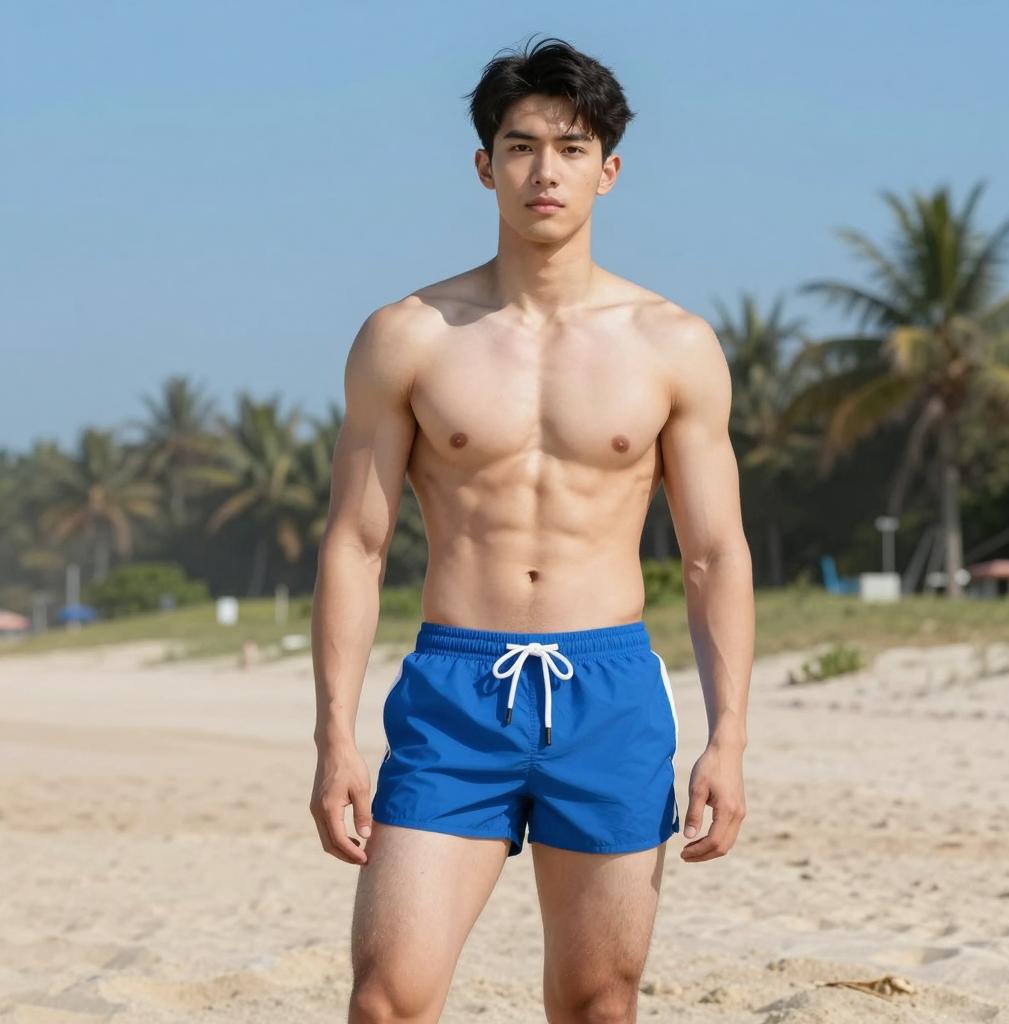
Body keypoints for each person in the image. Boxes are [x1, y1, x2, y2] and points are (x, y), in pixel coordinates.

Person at [310, 35, 755, 1024]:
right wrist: (334, 736)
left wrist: (727, 738)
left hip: (609, 693)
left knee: (599, 1001)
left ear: (609, 169)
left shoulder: (672, 344)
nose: (543, 170)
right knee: (387, 997)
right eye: (519, 146)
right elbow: (355, 543)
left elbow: (713, 552)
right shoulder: (409, 335)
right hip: (453, 693)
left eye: (569, 145)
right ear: (484, 166)